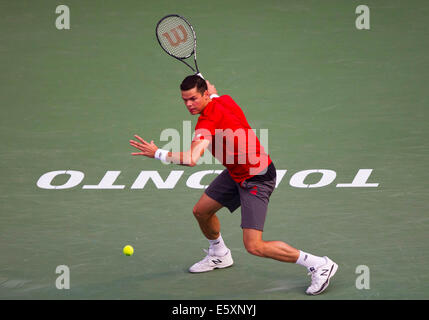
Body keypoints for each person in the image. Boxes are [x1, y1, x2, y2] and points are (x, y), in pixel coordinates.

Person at [129, 75, 338, 295]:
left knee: (254, 246)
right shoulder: (223, 99)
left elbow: (192, 159)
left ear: (204, 95)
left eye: (193, 99)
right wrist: (205, 85)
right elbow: (212, 87)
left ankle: (319, 264)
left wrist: (158, 153)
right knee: (201, 211)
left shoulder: (206, 122)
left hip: (258, 178)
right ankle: (219, 254)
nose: (189, 104)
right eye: (184, 100)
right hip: (236, 172)